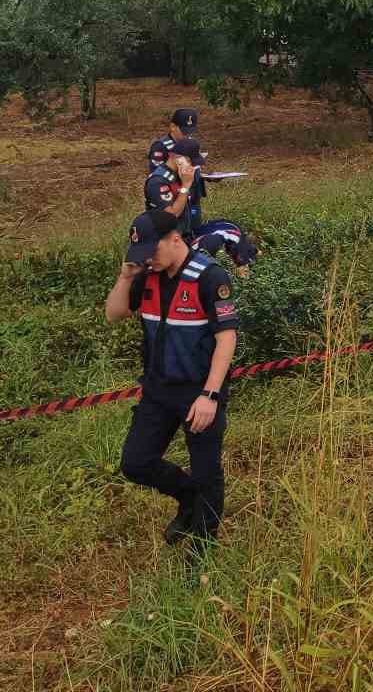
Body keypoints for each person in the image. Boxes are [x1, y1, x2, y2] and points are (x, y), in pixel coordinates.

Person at [106, 210, 239, 544]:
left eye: (153, 250)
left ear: (175, 239)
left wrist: (209, 396)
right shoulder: (146, 276)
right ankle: (188, 497)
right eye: (142, 253)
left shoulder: (209, 278)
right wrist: (125, 277)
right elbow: (114, 314)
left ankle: (202, 551)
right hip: (158, 390)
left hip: (199, 391)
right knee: (136, 463)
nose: (148, 259)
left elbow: (227, 338)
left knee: (207, 471)